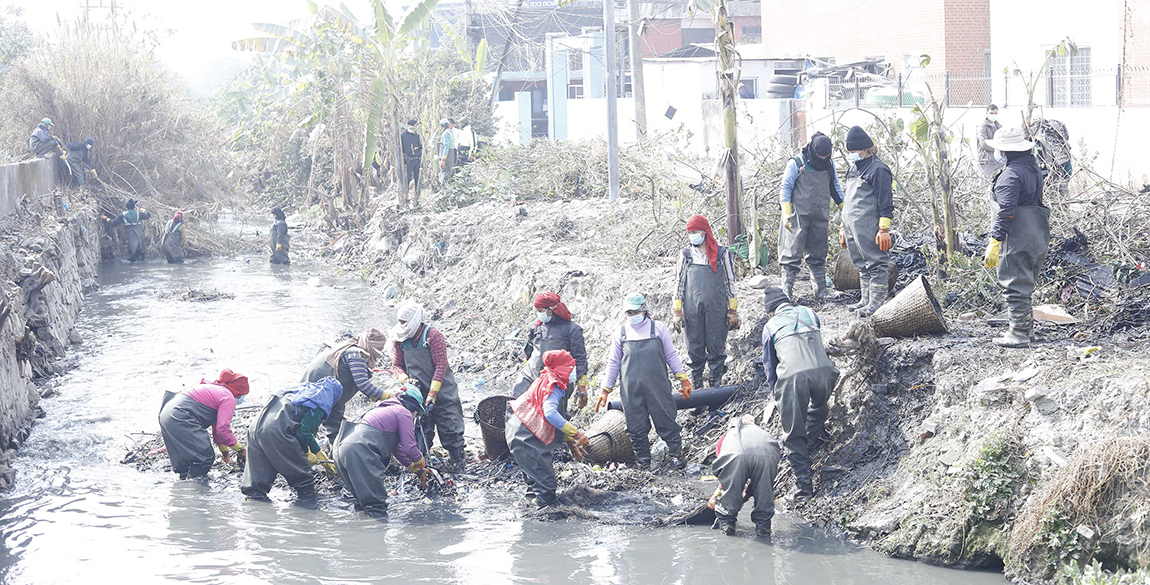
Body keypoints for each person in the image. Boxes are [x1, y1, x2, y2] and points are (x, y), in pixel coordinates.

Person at [596, 293, 692, 470]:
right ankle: (643, 461)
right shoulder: (621, 333)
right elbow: (613, 362)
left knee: (666, 419)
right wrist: (605, 389)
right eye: (628, 313)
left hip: (658, 387)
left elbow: (671, 355)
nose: (632, 316)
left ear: (644, 310)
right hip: (631, 389)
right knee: (635, 426)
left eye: (635, 312)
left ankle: (676, 456)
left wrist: (683, 379)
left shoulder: (658, 329)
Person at [761, 287, 838, 502]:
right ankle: (811, 445)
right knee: (819, 409)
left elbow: (770, 366)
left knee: (793, 433)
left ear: (770, 312)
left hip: (794, 379)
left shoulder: (770, 326)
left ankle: (803, 489)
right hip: (826, 372)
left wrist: (776, 395)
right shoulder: (809, 312)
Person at [983, 127, 1049, 348]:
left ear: (1005, 150)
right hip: (1037, 233)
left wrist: (995, 240)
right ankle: (1024, 328)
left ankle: (1019, 333)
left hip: (1017, 236)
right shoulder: (1032, 168)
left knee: (1014, 285)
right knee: (1024, 283)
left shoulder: (1010, 175)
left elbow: (1005, 212)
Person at [506, 350, 590, 508]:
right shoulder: (555, 386)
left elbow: (558, 416)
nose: (573, 372)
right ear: (562, 369)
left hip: (516, 431)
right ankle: (546, 524)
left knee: (534, 483)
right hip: (527, 439)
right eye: (570, 368)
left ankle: (530, 517)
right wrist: (577, 434)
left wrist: (570, 442)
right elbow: (550, 413)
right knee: (546, 487)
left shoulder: (546, 378)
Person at [390, 301, 467, 471]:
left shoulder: (433, 336)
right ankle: (424, 467)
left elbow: (441, 365)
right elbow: (396, 366)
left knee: (451, 428)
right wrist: (404, 380)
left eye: (405, 322)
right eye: (400, 322)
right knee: (420, 433)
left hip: (443, 392)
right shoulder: (400, 340)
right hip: (417, 394)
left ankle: (458, 464)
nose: (402, 326)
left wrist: (433, 393)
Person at [332, 383, 430, 516]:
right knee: (376, 506)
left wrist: (417, 470)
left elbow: (398, 449)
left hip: (339, 450)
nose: (414, 415)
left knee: (362, 503)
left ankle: (359, 534)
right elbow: (409, 448)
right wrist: (421, 462)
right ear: (412, 406)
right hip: (359, 451)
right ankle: (377, 535)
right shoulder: (403, 412)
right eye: (416, 412)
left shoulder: (379, 411)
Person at [241, 377, 343, 501]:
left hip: (255, 428)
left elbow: (303, 430)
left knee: (256, 485)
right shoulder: (320, 402)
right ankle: (308, 509)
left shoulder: (299, 392)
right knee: (303, 479)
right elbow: (303, 433)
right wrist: (307, 453)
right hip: (276, 431)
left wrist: (318, 453)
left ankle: (254, 509)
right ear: (334, 396)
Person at [673, 215, 738, 389]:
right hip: (692, 309)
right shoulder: (686, 255)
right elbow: (679, 283)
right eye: (690, 232)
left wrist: (732, 310)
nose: (692, 235)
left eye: (695, 232)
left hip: (716, 308)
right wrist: (677, 311)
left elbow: (729, 282)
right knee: (695, 348)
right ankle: (697, 391)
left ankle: (715, 389)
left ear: (705, 232)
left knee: (716, 347)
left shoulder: (721, 253)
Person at [778, 132, 846, 301]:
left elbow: (835, 188)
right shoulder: (797, 163)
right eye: (820, 155)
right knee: (791, 254)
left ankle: (821, 290)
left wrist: (846, 211)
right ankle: (786, 294)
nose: (823, 158)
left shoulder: (829, 164)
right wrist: (786, 213)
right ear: (813, 150)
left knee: (818, 252)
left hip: (819, 215)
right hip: (796, 216)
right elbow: (785, 188)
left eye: (826, 155)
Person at [839, 126, 894, 317]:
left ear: (865, 149)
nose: (852, 155)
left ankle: (877, 304)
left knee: (876, 263)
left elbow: (886, 201)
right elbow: (847, 199)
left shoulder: (879, 169)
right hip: (851, 225)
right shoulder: (853, 169)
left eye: (854, 151)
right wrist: (842, 228)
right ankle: (865, 300)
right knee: (861, 263)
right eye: (850, 152)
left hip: (869, 225)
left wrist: (884, 229)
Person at [300, 328, 392, 440]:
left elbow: (356, 379)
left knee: (335, 425)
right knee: (310, 423)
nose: (379, 354)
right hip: (317, 391)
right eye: (378, 349)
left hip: (330, 394)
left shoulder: (350, 346)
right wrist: (389, 396)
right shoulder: (356, 355)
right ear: (371, 345)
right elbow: (363, 384)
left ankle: (333, 449)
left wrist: (373, 395)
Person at [158, 369, 250, 480]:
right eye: (242, 395)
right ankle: (196, 491)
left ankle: (184, 490)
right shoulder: (228, 397)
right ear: (238, 393)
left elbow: (217, 432)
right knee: (203, 457)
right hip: (181, 416)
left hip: (166, 413)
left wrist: (225, 453)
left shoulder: (216, 390)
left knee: (184, 464)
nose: (241, 399)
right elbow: (223, 429)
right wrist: (241, 449)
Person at [511, 292, 589, 414]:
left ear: (551, 310)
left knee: (552, 415)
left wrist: (582, 385)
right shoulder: (536, 327)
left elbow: (580, 358)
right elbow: (529, 352)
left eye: (540, 310)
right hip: (531, 376)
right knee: (519, 408)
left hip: (556, 382)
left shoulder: (572, 330)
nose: (539, 314)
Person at [708, 416, 781, 537]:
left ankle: (727, 529)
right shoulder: (762, 433)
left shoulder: (727, 437)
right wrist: (745, 496)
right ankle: (764, 530)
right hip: (768, 453)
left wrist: (717, 495)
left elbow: (727, 474)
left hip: (737, 455)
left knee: (728, 504)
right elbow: (759, 483)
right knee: (765, 493)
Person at [1030, 118, 1072, 197]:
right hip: (1057, 193)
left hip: (1036, 194)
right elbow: (1068, 173)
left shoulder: (1030, 146)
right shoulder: (1062, 149)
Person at [977, 105, 1003, 182]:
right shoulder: (982, 127)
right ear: (987, 113)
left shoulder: (999, 127)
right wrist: (998, 147)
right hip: (986, 161)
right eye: (991, 113)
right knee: (985, 185)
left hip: (998, 161)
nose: (993, 115)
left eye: (995, 113)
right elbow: (984, 144)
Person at [401, 119, 423, 202]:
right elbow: (401, 149)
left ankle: (417, 196)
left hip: (417, 159)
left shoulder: (416, 135)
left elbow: (419, 146)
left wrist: (420, 153)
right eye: (415, 125)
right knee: (408, 178)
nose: (416, 127)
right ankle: (406, 196)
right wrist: (405, 157)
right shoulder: (403, 136)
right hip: (408, 161)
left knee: (418, 178)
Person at [437, 118, 457, 186]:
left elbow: (446, 146)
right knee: (449, 172)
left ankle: (444, 189)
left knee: (445, 173)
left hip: (447, 156)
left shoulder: (446, 133)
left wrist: (443, 159)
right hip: (451, 154)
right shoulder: (450, 132)